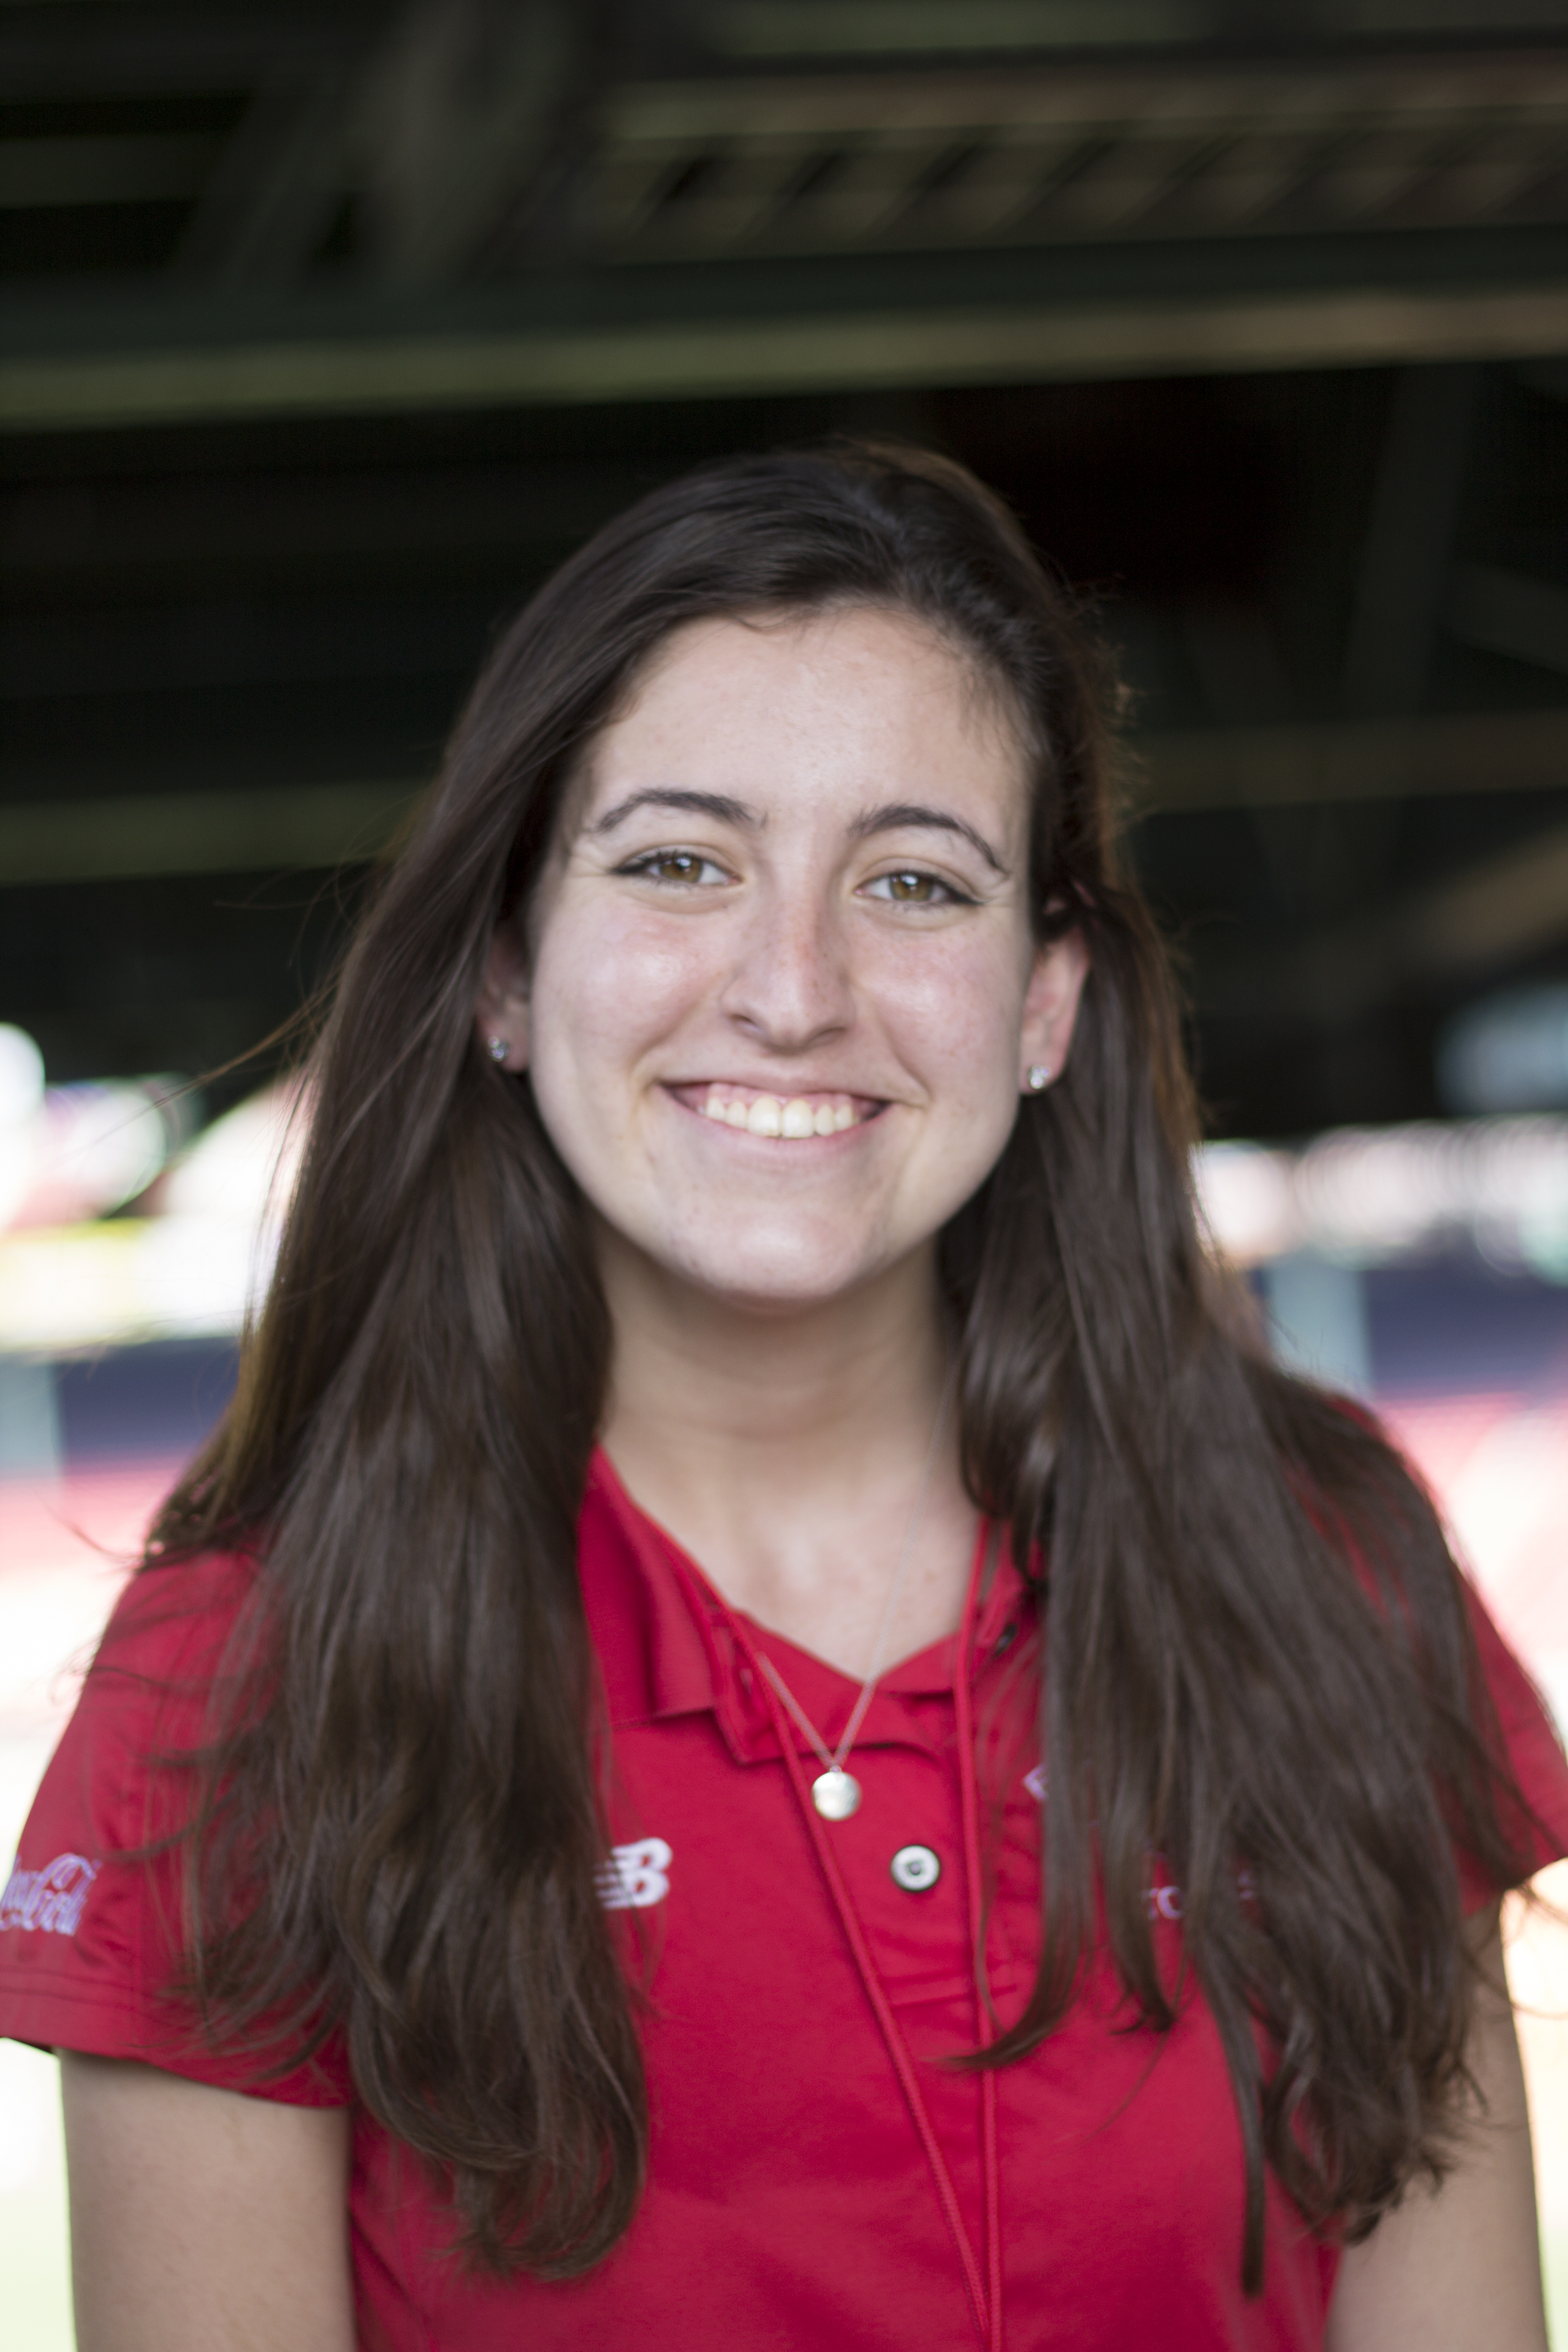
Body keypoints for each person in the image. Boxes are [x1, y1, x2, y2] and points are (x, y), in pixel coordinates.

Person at [2, 443, 1565, 2352]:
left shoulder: (1329, 1574)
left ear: (1046, 997)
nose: (795, 985)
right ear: (506, 965)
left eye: (914, 881)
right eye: (679, 862)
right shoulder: (243, 1678)